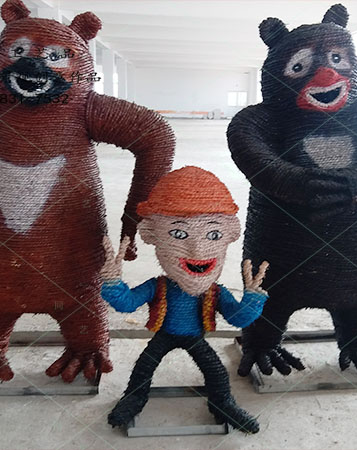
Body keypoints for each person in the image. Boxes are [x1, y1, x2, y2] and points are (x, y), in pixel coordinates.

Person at [100, 166, 269, 433]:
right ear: (151, 234)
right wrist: (112, 282)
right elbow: (127, 303)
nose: (197, 250)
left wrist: (252, 299)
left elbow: (238, 318)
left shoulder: (215, 292)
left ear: (229, 234)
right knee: (144, 368)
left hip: (194, 337)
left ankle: (223, 403)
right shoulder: (158, 286)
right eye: (179, 234)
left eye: (213, 234)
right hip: (165, 334)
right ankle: (134, 399)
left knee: (216, 371)